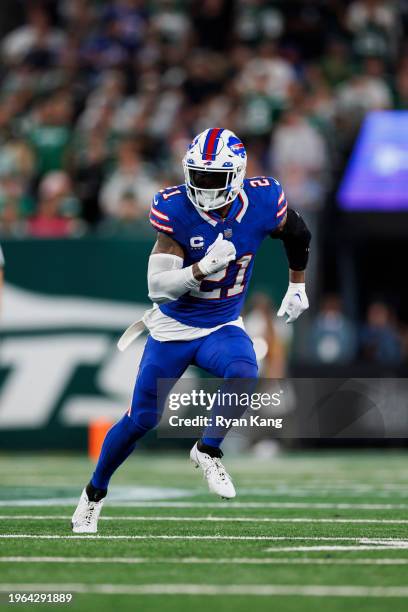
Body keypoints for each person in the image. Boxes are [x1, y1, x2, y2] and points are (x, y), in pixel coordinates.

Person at [71, 128, 311, 533]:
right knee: (141, 419)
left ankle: (208, 449)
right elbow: (157, 288)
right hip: (173, 328)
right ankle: (93, 495)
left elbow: (297, 232)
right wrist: (201, 268)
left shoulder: (264, 200)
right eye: (197, 175)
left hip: (221, 324)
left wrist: (298, 284)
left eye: (213, 177)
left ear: (236, 176)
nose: (203, 185)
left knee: (244, 370)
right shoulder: (176, 208)